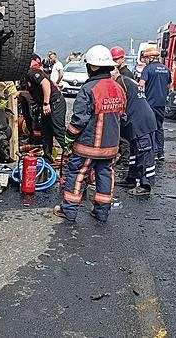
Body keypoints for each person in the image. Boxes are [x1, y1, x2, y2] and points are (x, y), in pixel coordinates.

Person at [53, 45, 126, 222]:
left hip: (88, 146)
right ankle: (101, 213)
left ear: (91, 67)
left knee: (77, 174)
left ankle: (69, 210)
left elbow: (79, 120)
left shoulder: (89, 89)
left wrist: (69, 138)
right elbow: (122, 114)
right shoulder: (118, 88)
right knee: (105, 175)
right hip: (110, 146)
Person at [113, 67, 158, 196]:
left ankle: (145, 185)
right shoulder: (126, 80)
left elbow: (119, 105)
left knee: (144, 152)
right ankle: (132, 178)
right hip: (140, 119)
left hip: (140, 121)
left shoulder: (120, 83)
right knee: (134, 151)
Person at [20, 53, 66, 162]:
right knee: (45, 131)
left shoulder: (31, 72)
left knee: (58, 130)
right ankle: (47, 157)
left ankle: (73, 154)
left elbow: (45, 83)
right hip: (48, 103)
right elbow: (34, 93)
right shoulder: (26, 76)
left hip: (54, 102)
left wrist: (46, 104)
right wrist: (21, 94)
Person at [139, 46, 172, 161]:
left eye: (146, 58)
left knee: (150, 127)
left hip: (150, 103)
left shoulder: (148, 69)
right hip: (161, 103)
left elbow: (141, 84)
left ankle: (152, 152)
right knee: (159, 127)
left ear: (151, 58)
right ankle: (160, 152)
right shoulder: (166, 69)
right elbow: (169, 86)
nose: (145, 60)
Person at [110, 46, 133, 171]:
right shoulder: (122, 73)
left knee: (123, 137)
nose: (114, 62)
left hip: (126, 109)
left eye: (116, 59)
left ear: (123, 59)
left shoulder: (126, 74)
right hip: (123, 109)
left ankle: (125, 159)